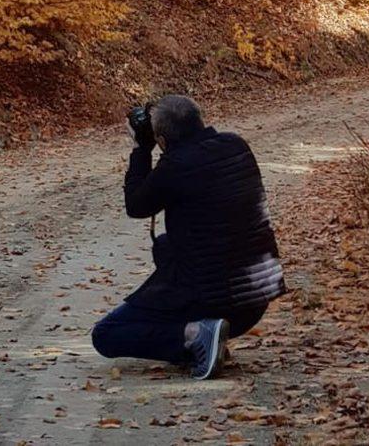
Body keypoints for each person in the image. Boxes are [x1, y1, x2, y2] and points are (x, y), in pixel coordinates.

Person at [91, 94, 286, 380]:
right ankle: (207, 337)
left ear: (163, 139)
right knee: (178, 244)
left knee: (106, 334)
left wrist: (141, 149)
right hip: (256, 301)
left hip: (216, 301)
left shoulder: (175, 167)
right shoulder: (236, 145)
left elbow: (136, 205)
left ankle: (196, 335)